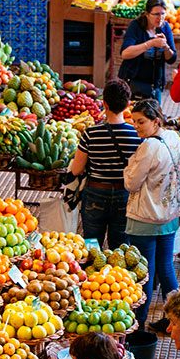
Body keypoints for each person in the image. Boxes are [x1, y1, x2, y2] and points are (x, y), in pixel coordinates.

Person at [123, 98, 180, 327]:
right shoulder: (175, 138)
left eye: (141, 122)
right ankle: (175, 319)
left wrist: (128, 167)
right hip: (170, 215)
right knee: (165, 266)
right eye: (134, 121)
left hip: (145, 216)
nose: (136, 126)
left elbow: (131, 183)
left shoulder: (148, 147)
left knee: (145, 271)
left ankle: (140, 321)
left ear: (156, 121)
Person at [69, 78, 140, 249]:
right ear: (128, 104)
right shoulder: (136, 134)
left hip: (96, 193)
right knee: (121, 248)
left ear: (104, 104)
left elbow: (76, 169)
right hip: (125, 194)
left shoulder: (91, 133)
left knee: (92, 246)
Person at [118, 0, 177, 102]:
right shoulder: (135, 26)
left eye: (163, 14)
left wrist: (165, 47)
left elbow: (172, 59)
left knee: (153, 114)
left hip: (155, 83)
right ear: (147, 14)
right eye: (156, 14)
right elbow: (125, 53)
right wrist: (149, 44)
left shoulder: (165, 27)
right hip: (133, 81)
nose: (160, 18)